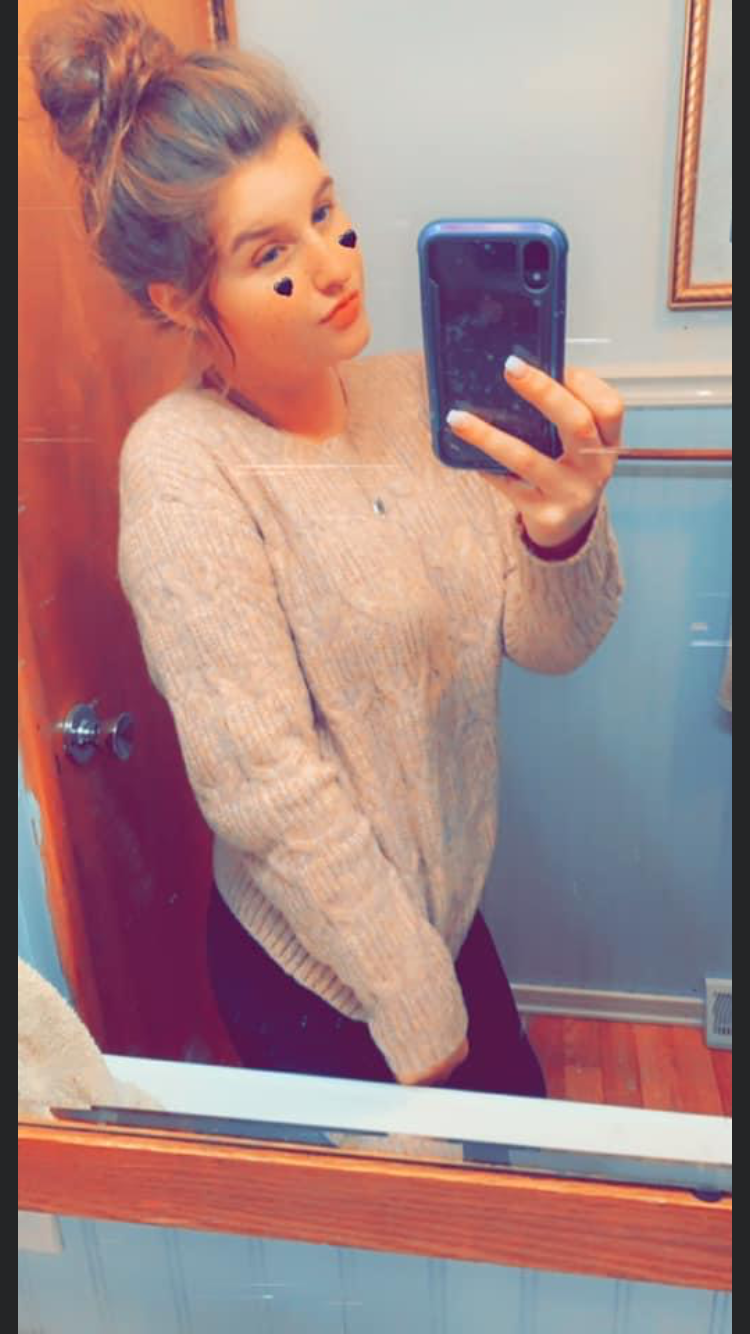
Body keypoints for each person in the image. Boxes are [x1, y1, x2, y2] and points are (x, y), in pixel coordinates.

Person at [31, 4, 625, 1096]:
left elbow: (550, 642)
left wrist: (564, 527)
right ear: (180, 298)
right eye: (271, 252)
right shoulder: (184, 469)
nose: (336, 261)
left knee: (516, 1140)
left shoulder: (418, 396)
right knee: (427, 1201)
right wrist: (417, 1005)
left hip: (446, 921)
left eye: (325, 209)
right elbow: (265, 786)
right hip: (314, 970)